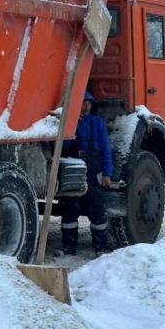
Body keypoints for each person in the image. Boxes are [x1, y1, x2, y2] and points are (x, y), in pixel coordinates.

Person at [60, 90, 113, 256]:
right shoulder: (69, 123)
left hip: (94, 166)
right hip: (74, 165)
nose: (87, 106)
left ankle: (101, 246)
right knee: (70, 206)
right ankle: (69, 246)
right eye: (83, 103)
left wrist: (107, 173)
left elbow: (106, 149)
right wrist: (72, 125)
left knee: (96, 207)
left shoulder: (98, 123)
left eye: (89, 103)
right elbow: (63, 147)